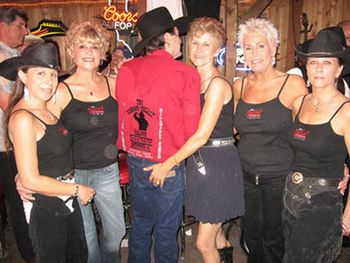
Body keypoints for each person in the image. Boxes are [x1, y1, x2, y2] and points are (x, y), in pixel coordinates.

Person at [145, 17, 244, 263]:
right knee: (216, 230)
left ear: (217, 50)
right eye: (196, 43)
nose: (199, 50)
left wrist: (168, 163)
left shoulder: (217, 84)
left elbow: (200, 135)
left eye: (206, 45)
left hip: (217, 165)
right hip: (200, 163)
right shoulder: (192, 80)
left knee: (202, 242)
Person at [116, 7, 201, 263]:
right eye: (178, 34)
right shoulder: (186, 73)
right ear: (169, 35)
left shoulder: (127, 69)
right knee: (165, 230)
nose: (180, 40)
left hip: (135, 159)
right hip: (169, 164)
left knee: (141, 224)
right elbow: (192, 131)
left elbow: (123, 112)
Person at [0, 42, 94, 262]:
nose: (49, 82)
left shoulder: (46, 108)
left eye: (53, 75)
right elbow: (31, 180)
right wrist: (78, 189)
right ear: (22, 76)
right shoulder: (23, 118)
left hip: (64, 196)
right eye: (41, 73)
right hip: (46, 205)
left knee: (78, 256)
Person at [45, 22, 125, 263]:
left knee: (116, 233)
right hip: (75, 175)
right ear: (72, 51)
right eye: (82, 46)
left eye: (95, 46)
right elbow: (43, 133)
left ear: (102, 53)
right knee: (88, 243)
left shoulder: (113, 84)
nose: (89, 52)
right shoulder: (61, 90)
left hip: (108, 171)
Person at [233, 18, 308, 262]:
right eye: (248, 47)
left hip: (279, 178)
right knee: (251, 237)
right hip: (245, 175)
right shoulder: (239, 85)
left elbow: (309, 129)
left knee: (275, 240)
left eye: (261, 46)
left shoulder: (292, 84)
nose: (254, 53)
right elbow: (230, 128)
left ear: (274, 47)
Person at [282, 26, 350, 262]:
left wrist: (349, 214)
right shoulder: (299, 103)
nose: (318, 69)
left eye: (327, 63)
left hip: (322, 203)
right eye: (313, 62)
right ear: (306, 67)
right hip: (289, 195)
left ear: (339, 69)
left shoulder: (346, 111)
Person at [0, 7, 36, 263]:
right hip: (7, 144)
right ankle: (31, 254)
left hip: (11, 141)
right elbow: (8, 105)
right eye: (20, 26)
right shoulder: (2, 59)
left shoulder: (10, 54)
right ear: (3, 25)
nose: (25, 31)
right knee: (20, 199)